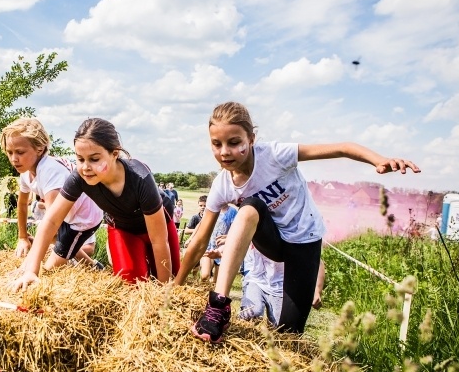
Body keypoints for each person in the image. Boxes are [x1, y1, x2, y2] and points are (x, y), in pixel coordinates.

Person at [178, 101, 420, 341]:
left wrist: (378, 160)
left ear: (251, 139)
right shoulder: (222, 185)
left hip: (304, 244)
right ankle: (218, 306)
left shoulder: (274, 155)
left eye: (234, 143)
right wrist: (175, 287)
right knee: (250, 207)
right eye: (216, 144)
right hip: (272, 242)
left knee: (288, 335)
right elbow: (200, 239)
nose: (224, 152)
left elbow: (342, 148)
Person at [12, 118, 180, 291]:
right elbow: (51, 222)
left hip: (158, 226)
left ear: (115, 154)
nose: (85, 167)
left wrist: (162, 291)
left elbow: (158, 240)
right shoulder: (79, 177)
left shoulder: (140, 178)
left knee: (171, 277)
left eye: (94, 159)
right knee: (132, 284)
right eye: (80, 159)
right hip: (123, 227)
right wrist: (31, 271)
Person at [0, 118, 104, 272]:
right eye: (10, 152)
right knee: (58, 241)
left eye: (20, 152)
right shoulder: (26, 171)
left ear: (40, 149)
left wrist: (29, 264)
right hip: (66, 216)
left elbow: (52, 223)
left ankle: (84, 265)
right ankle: (94, 267)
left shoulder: (50, 171)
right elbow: (22, 205)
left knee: (49, 270)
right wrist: (22, 237)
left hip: (84, 218)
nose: (14, 159)